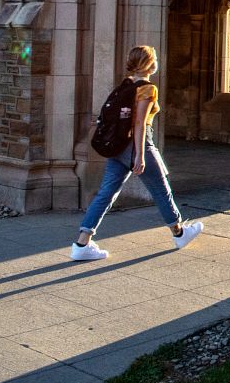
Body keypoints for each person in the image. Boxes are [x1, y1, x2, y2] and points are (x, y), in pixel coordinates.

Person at [70, 45, 203, 260]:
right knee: (161, 190)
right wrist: (139, 155)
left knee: (106, 194)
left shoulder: (126, 85)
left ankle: (81, 243)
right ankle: (179, 233)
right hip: (138, 145)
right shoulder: (147, 89)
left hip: (119, 146)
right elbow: (140, 123)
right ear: (149, 64)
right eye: (155, 59)